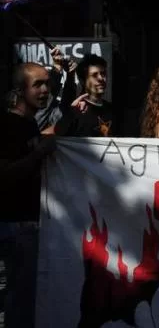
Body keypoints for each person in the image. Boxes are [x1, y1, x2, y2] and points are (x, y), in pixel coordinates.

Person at [2, 65, 56, 328]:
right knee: (19, 298)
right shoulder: (8, 125)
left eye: (47, 83)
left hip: (29, 223)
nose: (44, 90)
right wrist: (38, 154)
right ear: (20, 91)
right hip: (16, 224)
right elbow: (5, 175)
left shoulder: (29, 123)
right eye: (37, 84)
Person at [56, 54, 115, 137]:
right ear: (83, 80)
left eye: (103, 73)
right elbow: (58, 135)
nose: (101, 78)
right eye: (94, 75)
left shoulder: (112, 109)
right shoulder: (76, 108)